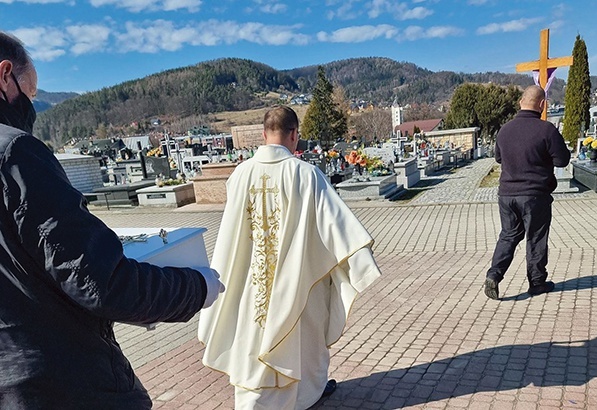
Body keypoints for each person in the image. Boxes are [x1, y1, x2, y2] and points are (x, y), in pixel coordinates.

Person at [0, 31, 225, 409]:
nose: (31, 106)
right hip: (66, 383)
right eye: (31, 93)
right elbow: (98, 282)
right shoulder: (15, 153)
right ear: (5, 75)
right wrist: (197, 287)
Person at [198, 106, 381, 409]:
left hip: (251, 281)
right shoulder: (306, 174)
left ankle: (268, 397)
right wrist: (360, 262)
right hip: (296, 279)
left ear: (263, 134)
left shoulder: (240, 174)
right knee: (303, 337)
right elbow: (335, 223)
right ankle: (305, 394)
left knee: (252, 335)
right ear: (295, 134)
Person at [484, 85, 571, 300]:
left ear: (521, 101)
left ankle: (494, 275)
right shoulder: (546, 130)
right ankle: (537, 283)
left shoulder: (504, 130)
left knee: (509, 235)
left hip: (506, 194)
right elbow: (562, 159)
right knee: (536, 237)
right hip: (534, 195)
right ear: (542, 104)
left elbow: (499, 158)